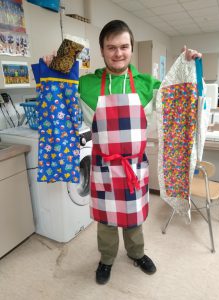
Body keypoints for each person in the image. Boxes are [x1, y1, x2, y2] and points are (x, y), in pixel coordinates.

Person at [44, 20, 202, 285]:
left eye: (124, 47)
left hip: (133, 166)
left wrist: (186, 64)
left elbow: (178, 92)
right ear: (102, 50)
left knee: (133, 217)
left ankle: (137, 253)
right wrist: (54, 64)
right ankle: (106, 259)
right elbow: (59, 88)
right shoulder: (87, 84)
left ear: (131, 48)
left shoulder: (146, 84)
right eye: (111, 47)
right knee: (105, 220)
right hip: (103, 166)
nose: (118, 53)